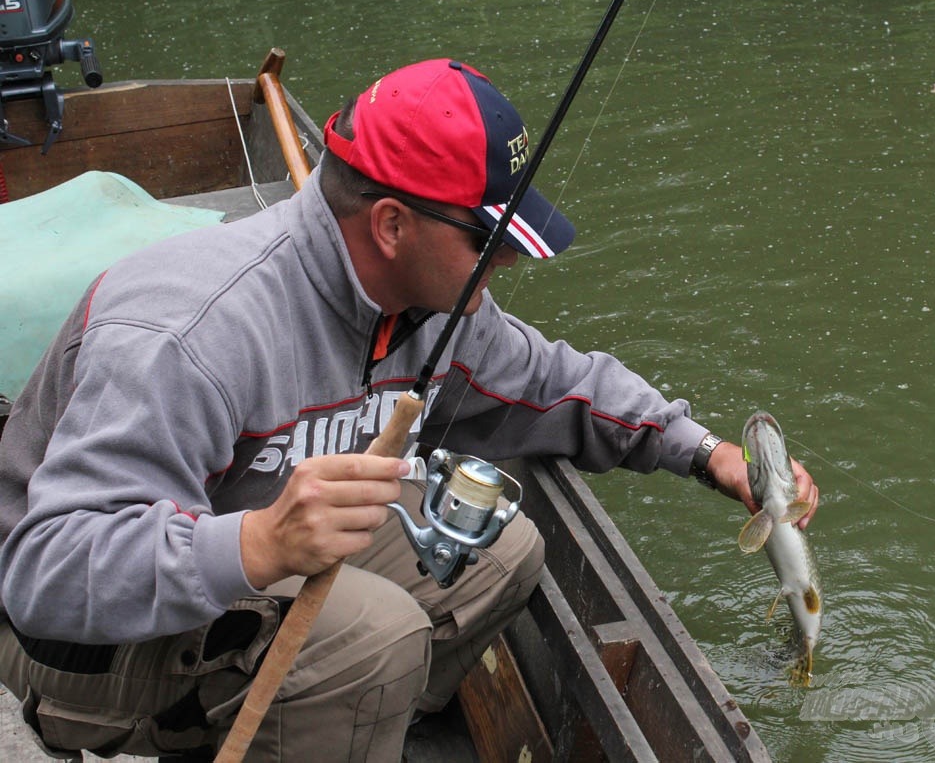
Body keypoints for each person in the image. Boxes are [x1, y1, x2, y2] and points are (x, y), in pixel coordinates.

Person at [0, 59, 819, 761]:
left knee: (507, 552)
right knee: (374, 638)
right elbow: (48, 571)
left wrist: (707, 453)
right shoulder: (194, 331)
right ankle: (337, 692)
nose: (502, 263)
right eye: (488, 242)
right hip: (73, 646)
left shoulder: (433, 307)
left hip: (228, 575)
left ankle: (333, 715)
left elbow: (556, 382)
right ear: (391, 224)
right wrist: (258, 541)